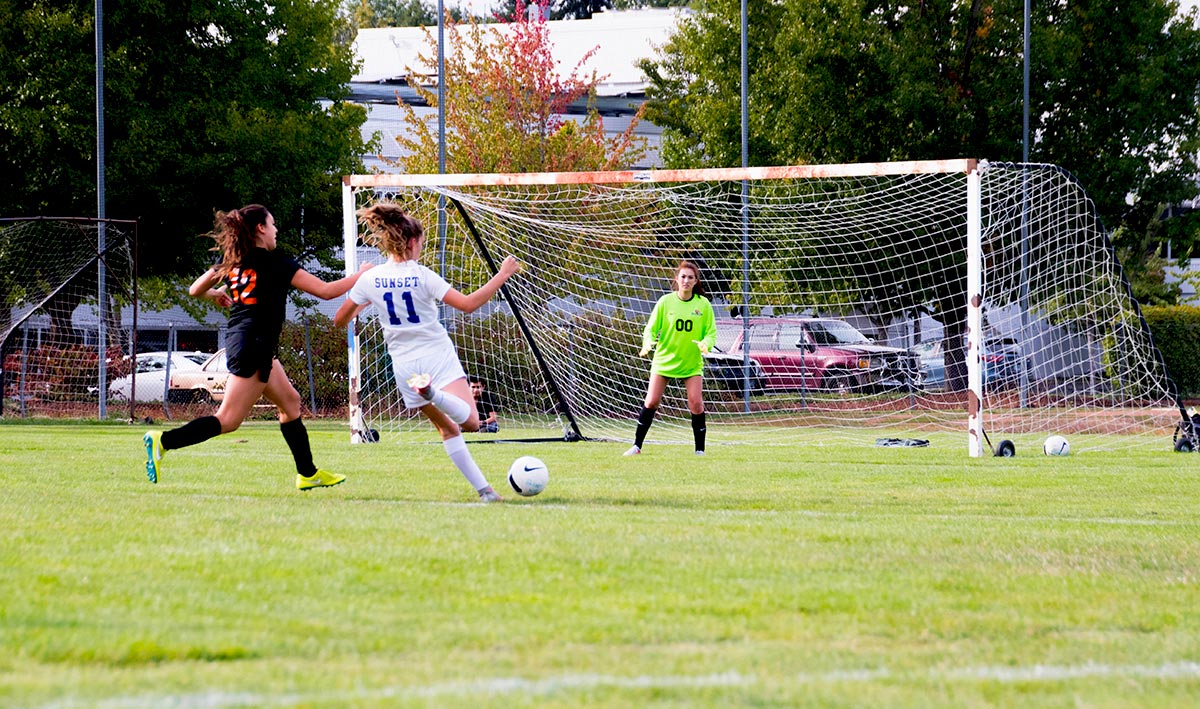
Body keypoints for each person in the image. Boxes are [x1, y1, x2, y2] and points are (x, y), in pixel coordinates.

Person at [143, 204, 371, 491]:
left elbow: (194, 289)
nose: (276, 230)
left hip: (249, 341)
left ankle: (307, 473)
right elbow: (325, 291)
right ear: (261, 229)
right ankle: (163, 441)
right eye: (272, 224)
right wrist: (363, 274)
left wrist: (215, 293)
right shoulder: (276, 263)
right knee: (227, 420)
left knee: (290, 402)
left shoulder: (234, 261)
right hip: (253, 344)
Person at [333, 203, 520, 502]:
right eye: (421, 241)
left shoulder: (370, 279)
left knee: (448, 430)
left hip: (405, 366)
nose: (422, 246)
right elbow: (468, 304)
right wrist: (503, 274)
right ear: (411, 242)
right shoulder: (422, 275)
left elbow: (340, 319)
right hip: (436, 354)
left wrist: (365, 303)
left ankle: (486, 492)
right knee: (471, 422)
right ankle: (433, 393)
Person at [625, 260, 717, 457]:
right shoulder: (665, 302)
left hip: (690, 363)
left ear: (695, 281)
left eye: (690, 277)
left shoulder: (703, 305)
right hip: (664, 360)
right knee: (651, 402)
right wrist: (647, 343)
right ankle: (636, 445)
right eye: (683, 276)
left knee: (696, 403)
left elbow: (710, 333)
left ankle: (699, 450)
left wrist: (706, 344)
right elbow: (651, 328)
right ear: (677, 279)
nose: (686, 280)